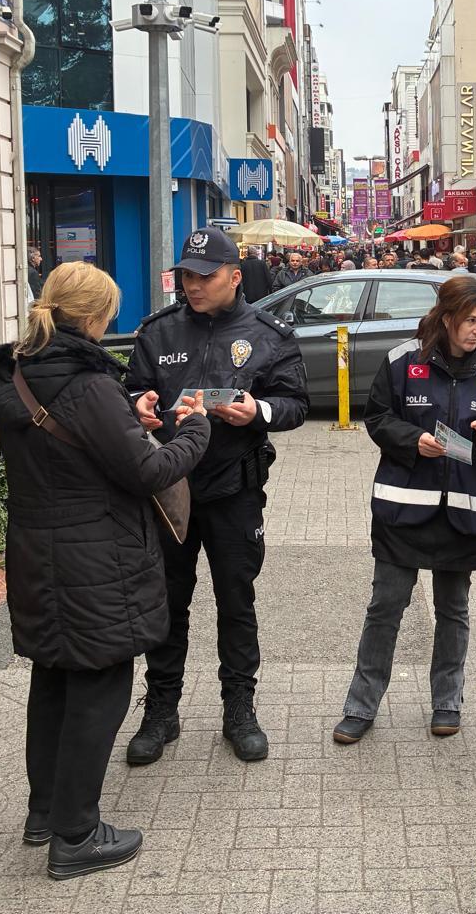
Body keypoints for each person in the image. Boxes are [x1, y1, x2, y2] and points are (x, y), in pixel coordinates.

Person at [0, 262, 211, 879]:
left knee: (54, 680)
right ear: (93, 317)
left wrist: (124, 417)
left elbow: (71, 445)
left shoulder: (21, 371)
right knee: (100, 685)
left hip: (38, 548)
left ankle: (45, 813)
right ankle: (77, 836)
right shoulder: (85, 384)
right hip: (94, 558)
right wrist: (193, 431)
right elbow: (146, 473)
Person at [123, 227, 310, 766]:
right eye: (187, 275)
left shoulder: (268, 333)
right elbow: (133, 387)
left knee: (236, 600)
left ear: (234, 276)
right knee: (166, 600)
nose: (194, 285)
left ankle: (239, 708)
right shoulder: (159, 331)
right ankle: (161, 709)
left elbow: (295, 403)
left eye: (205, 276)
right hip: (170, 489)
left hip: (234, 489)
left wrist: (259, 412)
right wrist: (139, 403)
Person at [332, 278, 476, 745]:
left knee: (453, 610)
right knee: (386, 607)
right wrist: (412, 441)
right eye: (471, 321)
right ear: (446, 318)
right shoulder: (404, 360)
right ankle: (361, 705)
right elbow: (378, 418)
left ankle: (447, 700)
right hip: (404, 508)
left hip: (463, 511)